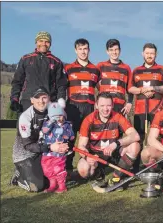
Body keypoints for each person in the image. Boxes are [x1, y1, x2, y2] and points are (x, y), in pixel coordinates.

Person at [76, 92, 141, 191]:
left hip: (113, 153)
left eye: (108, 105)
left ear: (113, 105)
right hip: (96, 156)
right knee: (83, 169)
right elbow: (81, 145)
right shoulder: (88, 120)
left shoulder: (118, 117)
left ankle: (116, 177)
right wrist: (87, 156)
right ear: (96, 105)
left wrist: (116, 144)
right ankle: (98, 175)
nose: (105, 109)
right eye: (102, 105)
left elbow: (135, 135)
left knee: (135, 146)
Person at [10, 87, 69, 192]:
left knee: (53, 177)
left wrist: (63, 144)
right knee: (39, 186)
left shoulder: (52, 111)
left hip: (42, 152)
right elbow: (27, 145)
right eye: (37, 98)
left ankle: (30, 172)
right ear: (31, 100)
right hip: (25, 154)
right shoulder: (25, 117)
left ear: (49, 99)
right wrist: (50, 147)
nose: (41, 101)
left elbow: (62, 126)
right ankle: (18, 176)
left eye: (44, 97)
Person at [128, 43, 163, 172]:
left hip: (157, 111)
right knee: (139, 138)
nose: (149, 55)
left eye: (152, 53)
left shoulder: (162, 69)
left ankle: (161, 166)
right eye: (147, 53)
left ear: (156, 54)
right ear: (143, 54)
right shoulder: (136, 70)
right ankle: (136, 167)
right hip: (140, 110)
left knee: (158, 138)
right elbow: (130, 88)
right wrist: (142, 90)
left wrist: (153, 88)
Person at [64, 38, 101, 175]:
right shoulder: (68, 68)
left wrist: (98, 103)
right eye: (80, 49)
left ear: (89, 50)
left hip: (89, 108)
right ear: (75, 50)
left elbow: (101, 89)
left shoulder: (95, 69)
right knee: (69, 138)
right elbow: (62, 87)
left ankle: (87, 167)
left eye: (85, 49)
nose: (83, 51)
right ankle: (67, 168)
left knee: (89, 139)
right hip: (72, 107)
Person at [10, 31, 67, 114]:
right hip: (28, 102)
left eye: (47, 41)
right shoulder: (25, 59)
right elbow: (17, 81)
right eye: (41, 41)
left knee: (48, 127)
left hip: (48, 103)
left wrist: (60, 102)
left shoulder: (57, 62)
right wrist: (14, 99)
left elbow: (61, 85)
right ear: (36, 42)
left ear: (50, 44)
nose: (44, 44)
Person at [40, 102, 75, 193]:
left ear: (64, 114)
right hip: (48, 152)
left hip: (60, 152)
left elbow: (71, 137)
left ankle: (62, 186)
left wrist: (68, 144)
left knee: (58, 168)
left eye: (60, 115)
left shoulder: (67, 125)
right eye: (55, 116)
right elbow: (45, 131)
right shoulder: (48, 124)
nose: (58, 118)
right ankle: (52, 185)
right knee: (47, 169)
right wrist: (51, 121)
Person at [96, 39, 133, 115]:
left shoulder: (126, 68)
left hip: (120, 106)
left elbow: (130, 88)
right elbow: (93, 82)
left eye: (116, 49)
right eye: (111, 50)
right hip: (104, 105)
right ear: (107, 51)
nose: (114, 52)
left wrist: (129, 103)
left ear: (120, 50)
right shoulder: (101, 66)